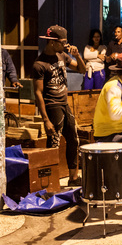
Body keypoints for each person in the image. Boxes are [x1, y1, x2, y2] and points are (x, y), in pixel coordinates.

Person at [32, 25, 86, 186]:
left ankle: (73, 178)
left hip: (64, 104)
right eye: (63, 42)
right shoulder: (39, 64)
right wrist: (45, 120)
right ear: (52, 42)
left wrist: (78, 56)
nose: (66, 45)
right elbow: (38, 93)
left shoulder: (63, 55)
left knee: (74, 140)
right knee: (53, 144)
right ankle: (50, 182)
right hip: (52, 105)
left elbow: (82, 70)